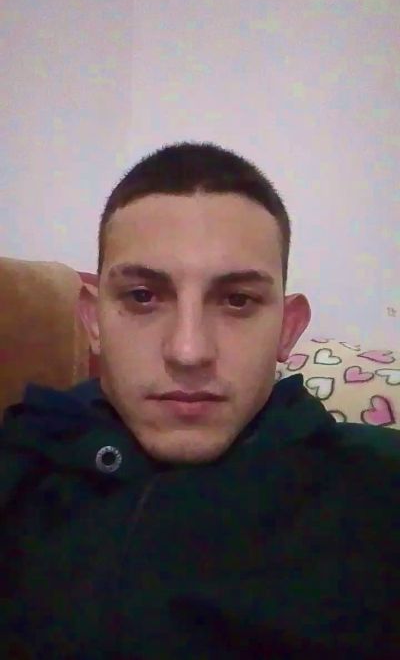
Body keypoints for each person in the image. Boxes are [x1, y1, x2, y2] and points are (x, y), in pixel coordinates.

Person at [1, 142, 399, 659]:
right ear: (93, 321)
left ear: (287, 328)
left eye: (237, 300)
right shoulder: (22, 460)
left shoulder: (378, 491)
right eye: (143, 296)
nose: (188, 351)